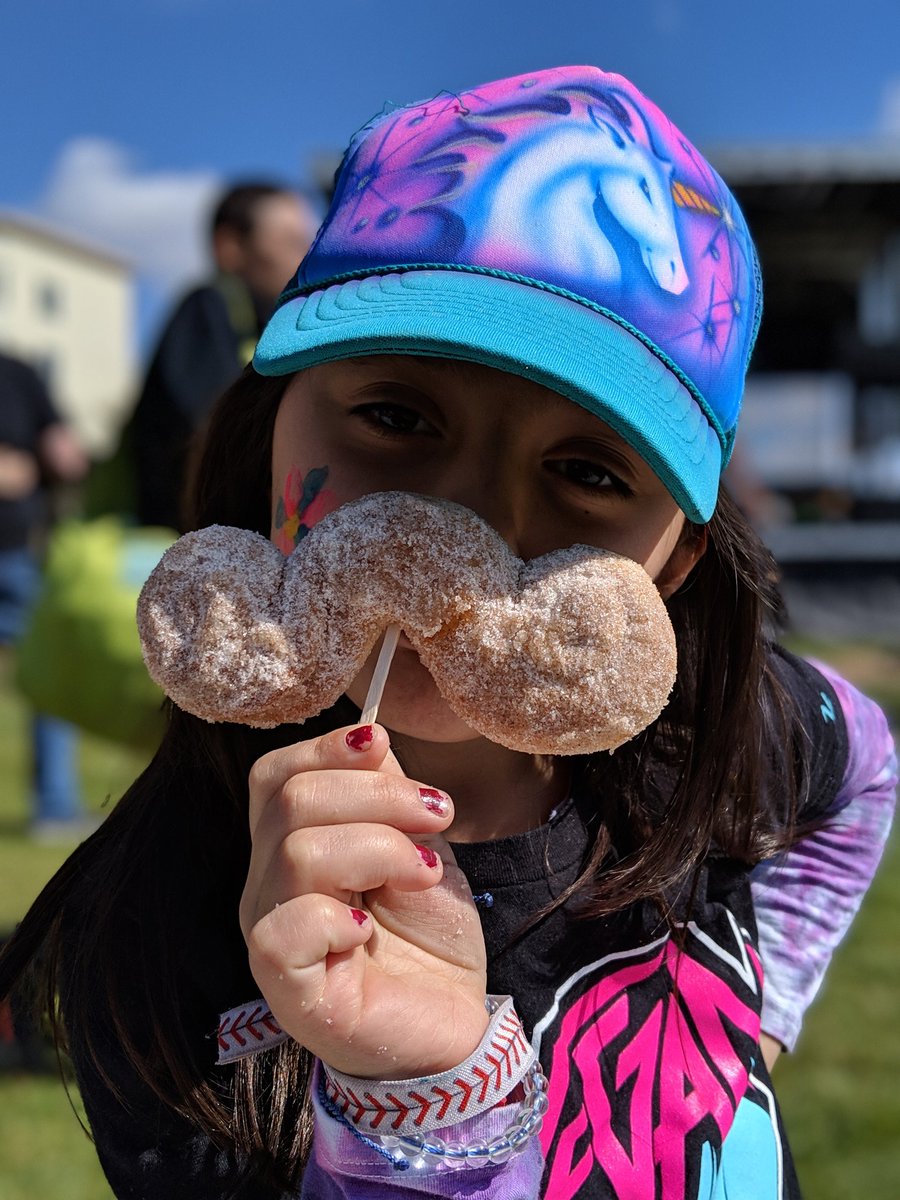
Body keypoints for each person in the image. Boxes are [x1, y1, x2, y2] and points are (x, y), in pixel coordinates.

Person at [0, 66, 896, 1199]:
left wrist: (764, 1006)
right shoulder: (156, 936)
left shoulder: (722, 735)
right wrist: (416, 1093)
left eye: (587, 471)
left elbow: (864, 763)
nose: (468, 520)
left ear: (671, 567)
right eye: (395, 414)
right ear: (269, 430)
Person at [132, 180, 319, 531]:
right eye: (293, 242)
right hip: (191, 544)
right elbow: (210, 430)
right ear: (229, 247)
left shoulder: (260, 321)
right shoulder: (208, 308)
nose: (310, 256)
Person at [0, 351, 90, 840]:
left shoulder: (19, 372)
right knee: (48, 676)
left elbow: (64, 454)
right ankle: (55, 807)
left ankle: (56, 805)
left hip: (17, 553)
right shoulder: (19, 371)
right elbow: (65, 455)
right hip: (14, 549)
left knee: (49, 678)